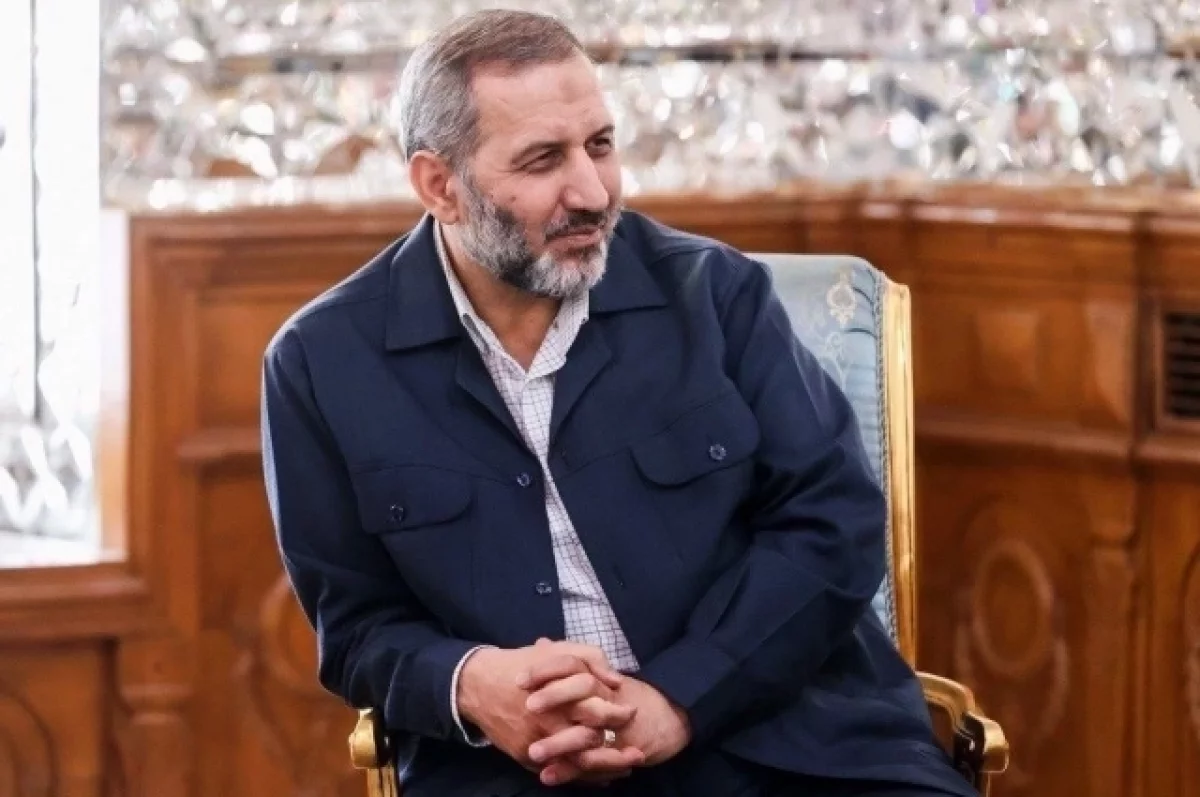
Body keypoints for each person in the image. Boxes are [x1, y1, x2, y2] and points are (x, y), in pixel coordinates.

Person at [260, 9, 978, 797]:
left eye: (600, 145)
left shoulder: (717, 293)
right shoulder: (319, 364)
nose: (593, 191)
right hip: (516, 771)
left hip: (787, 741)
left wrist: (680, 695)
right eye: (543, 159)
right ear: (441, 186)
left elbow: (833, 523)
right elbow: (357, 627)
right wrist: (469, 681)